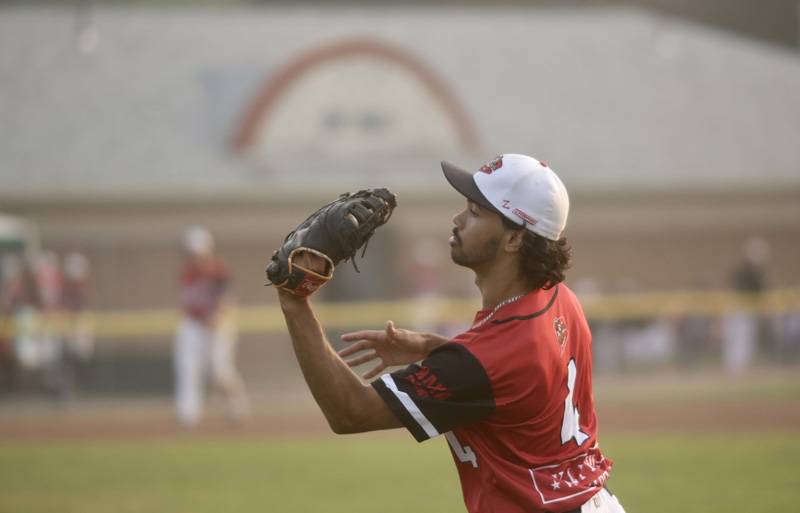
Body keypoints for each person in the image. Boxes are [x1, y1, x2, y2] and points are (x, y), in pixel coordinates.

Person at [276, 154, 624, 513]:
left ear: (515, 239)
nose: (457, 220)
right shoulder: (558, 297)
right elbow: (518, 375)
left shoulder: (488, 356)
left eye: (475, 212)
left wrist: (294, 301)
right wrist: (436, 347)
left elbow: (350, 412)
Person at [174, 226, 250, 427]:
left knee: (221, 371)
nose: (194, 256)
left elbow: (228, 299)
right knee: (188, 368)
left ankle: (237, 407)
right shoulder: (188, 272)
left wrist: (217, 316)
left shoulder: (218, 270)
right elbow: (186, 302)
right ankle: (188, 415)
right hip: (194, 324)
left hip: (219, 326)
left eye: (197, 251)